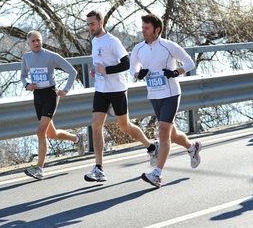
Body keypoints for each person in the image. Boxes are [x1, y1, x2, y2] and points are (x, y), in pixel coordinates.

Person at [84, 10, 158, 182]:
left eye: (92, 24)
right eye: (88, 24)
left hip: (117, 89)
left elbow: (126, 63)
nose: (90, 27)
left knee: (124, 126)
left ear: (101, 22)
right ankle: (99, 168)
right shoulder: (95, 41)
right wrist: (96, 71)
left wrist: (107, 70)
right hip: (101, 89)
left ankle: (151, 146)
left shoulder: (112, 41)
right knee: (96, 125)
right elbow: (101, 64)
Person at [130, 14, 202, 188]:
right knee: (171, 134)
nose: (143, 31)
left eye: (146, 28)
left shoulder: (169, 46)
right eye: (142, 27)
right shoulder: (139, 48)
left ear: (157, 30)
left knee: (162, 131)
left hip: (170, 94)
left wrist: (176, 72)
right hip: (154, 95)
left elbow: (189, 62)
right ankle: (192, 147)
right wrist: (138, 74)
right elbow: (133, 67)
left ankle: (157, 174)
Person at [21, 30, 85, 180]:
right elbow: (23, 76)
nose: (37, 43)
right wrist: (27, 85)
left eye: (39, 40)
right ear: (28, 44)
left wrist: (66, 89)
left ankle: (40, 169)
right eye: (33, 41)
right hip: (37, 96)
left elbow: (72, 71)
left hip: (51, 95)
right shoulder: (26, 57)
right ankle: (77, 139)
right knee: (51, 134)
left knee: (40, 132)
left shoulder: (51, 56)